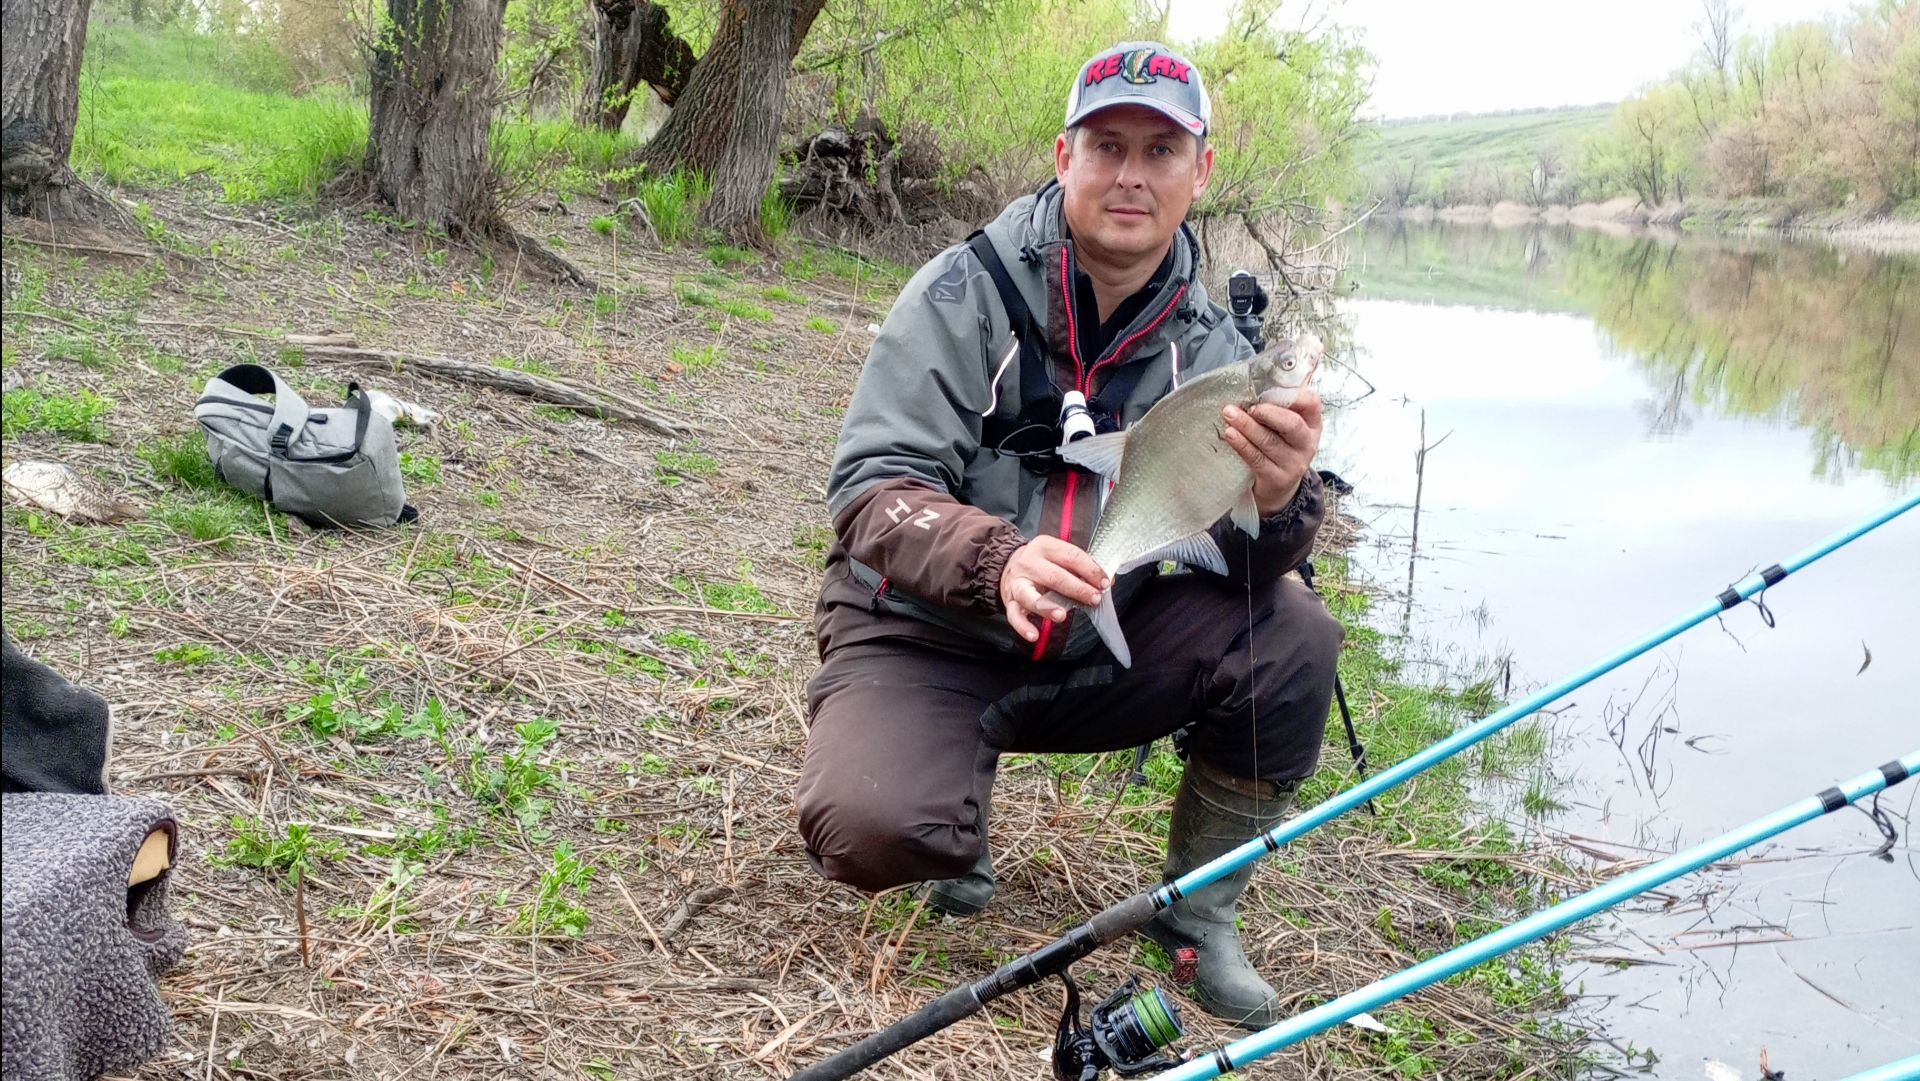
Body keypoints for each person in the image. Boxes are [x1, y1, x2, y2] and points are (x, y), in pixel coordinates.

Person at [794, 41, 1342, 1030]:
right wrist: (996, 558)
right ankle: (946, 811)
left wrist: (1284, 491)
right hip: (928, 633)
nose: (1131, 175)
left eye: (1161, 151)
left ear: (1200, 171)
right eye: (1107, 145)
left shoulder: (1219, 353)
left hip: (1095, 635)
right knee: (871, 830)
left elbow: (1254, 562)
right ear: (1064, 156)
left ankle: (1194, 919)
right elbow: (871, 487)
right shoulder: (960, 294)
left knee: (1294, 629)